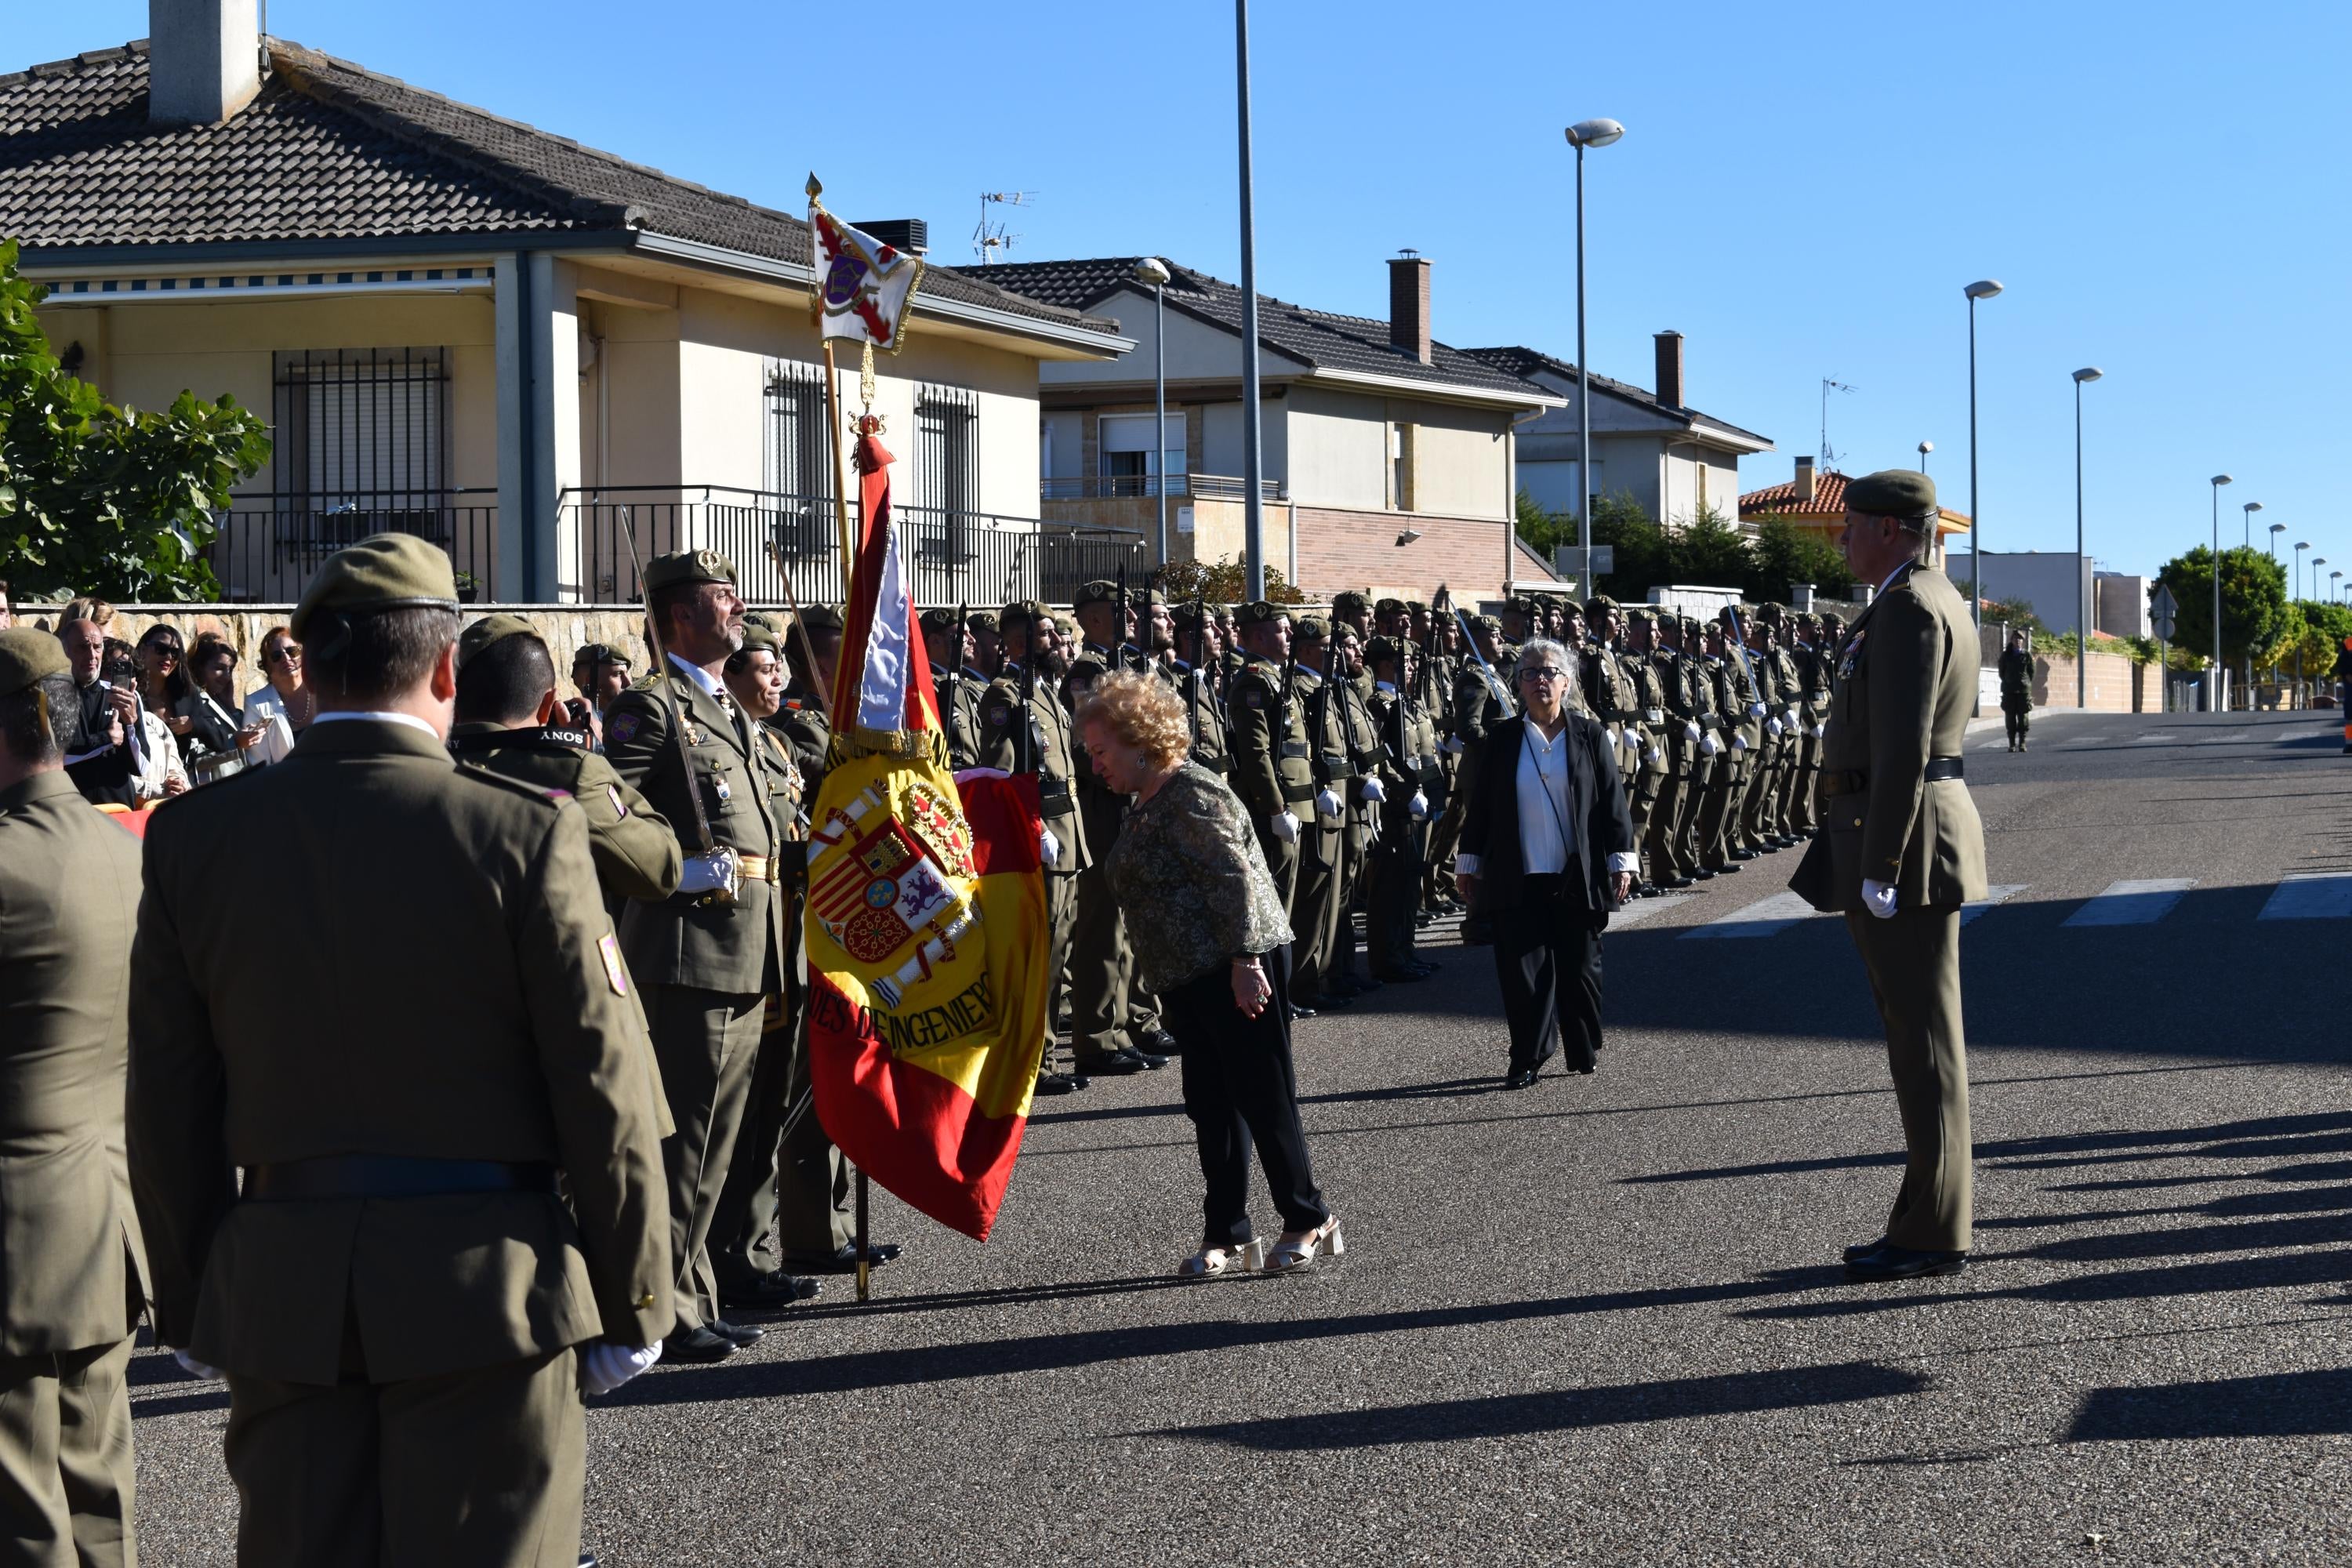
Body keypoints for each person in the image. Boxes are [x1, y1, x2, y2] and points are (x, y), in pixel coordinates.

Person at [127, 533, 671, 1566]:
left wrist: (194, 1295)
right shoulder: (522, 830)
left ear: (312, 667)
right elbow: (602, 1083)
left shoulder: (199, 838)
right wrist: (637, 1289)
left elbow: (165, 1092)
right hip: (489, 1288)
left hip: (284, 1286)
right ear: (448, 671)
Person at [603, 550, 802, 1361]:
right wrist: (675, 868)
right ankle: (666, 1308)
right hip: (693, 950)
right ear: (680, 614)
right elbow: (608, 808)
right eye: (724, 597)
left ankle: (697, 1292)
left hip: (754, 946)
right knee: (686, 1140)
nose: (739, 606)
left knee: (719, 1144)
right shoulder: (653, 709)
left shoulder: (727, 708)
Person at [1790, 469, 1987, 1283]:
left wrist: (1884, 864)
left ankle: (1936, 1228)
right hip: (1904, 831)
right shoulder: (1927, 596)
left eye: (1852, 523)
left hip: (1903, 840)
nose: (1841, 537)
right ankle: (1924, 1214)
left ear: (1891, 529)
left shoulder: (1909, 606)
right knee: (1919, 1042)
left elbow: (1903, 745)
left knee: (1926, 1046)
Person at [1078, 670, 1341, 1278]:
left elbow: (1237, 880)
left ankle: (1309, 1216)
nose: (1096, 767)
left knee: (1263, 1094)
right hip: (1186, 975)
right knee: (1212, 1107)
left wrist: (1246, 963)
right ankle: (1228, 1231)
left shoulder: (1193, 793)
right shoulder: (1142, 802)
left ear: (1139, 739)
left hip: (1235, 962)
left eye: (1101, 752)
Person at [0, 628, 148, 1566]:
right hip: (106, 1211)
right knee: (99, 1493)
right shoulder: (123, 849)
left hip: (14, 1226)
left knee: (21, 1511)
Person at [1454, 637, 1639, 1091]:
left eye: (1549, 672)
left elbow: (1613, 803)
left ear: (1568, 682)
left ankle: (1583, 1044)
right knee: (1522, 974)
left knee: (1581, 969)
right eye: (1530, 673)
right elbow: (1480, 806)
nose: (1540, 680)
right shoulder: (1502, 738)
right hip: (1518, 874)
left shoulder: (1589, 734)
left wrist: (1622, 861)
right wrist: (1469, 860)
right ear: (1517, 684)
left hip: (1576, 874)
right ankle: (1527, 1056)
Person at [56, 608, 139, 807]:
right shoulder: (51, 696)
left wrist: (130, 725)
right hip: (72, 812)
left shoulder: (124, 697)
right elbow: (52, 758)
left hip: (120, 811)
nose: (92, 655)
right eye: (83, 647)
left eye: (97, 647)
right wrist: (105, 739)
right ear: (65, 651)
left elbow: (141, 766)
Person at [241, 625, 318, 735]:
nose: (286, 658)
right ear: (267, 667)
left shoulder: (324, 690)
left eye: (292, 651)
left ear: (303, 655)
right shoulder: (256, 705)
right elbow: (259, 752)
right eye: (276, 656)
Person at [1998, 630, 2034, 751]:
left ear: (2023, 642)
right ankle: (2012, 744)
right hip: (2009, 690)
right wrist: (2009, 681)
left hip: (2023, 690)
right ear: (2011, 641)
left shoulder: (2027, 655)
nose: (2018, 642)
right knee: (2010, 718)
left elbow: (2031, 672)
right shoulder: (2006, 655)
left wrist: (2026, 683)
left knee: (2023, 718)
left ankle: (2022, 743)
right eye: (2015, 639)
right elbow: (2001, 672)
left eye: (2020, 640)